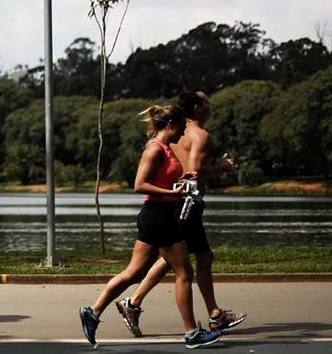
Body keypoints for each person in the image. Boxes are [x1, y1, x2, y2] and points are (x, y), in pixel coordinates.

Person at [78, 105, 222, 349]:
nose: (183, 136)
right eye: (182, 130)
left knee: (134, 273)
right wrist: (172, 191)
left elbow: (161, 178)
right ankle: (191, 333)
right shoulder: (155, 149)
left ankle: (92, 311)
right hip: (158, 215)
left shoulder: (165, 149)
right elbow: (139, 185)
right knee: (184, 273)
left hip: (158, 215)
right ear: (171, 125)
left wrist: (180, 181)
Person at [114, 91, 246, 338]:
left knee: (198, 258)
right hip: (187, 202)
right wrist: (223, 167)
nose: (210, 105)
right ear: (197, 107)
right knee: (177, 261)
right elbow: (193, 170)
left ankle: (214, 314)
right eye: (206, 102)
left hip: (177, 202)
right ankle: (134, 304)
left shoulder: (177, 134)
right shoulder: (200, 135)